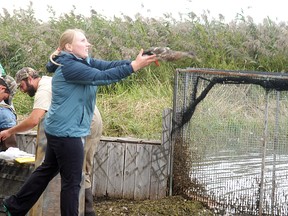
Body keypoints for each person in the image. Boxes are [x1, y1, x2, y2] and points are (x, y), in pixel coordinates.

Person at [2, 28, 157, 216]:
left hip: (61, 129)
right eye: (82, 41)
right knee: (72, 182)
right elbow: (102, 77)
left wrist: (136, 62)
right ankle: (16, 206)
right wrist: (134, 67)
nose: (88, 44)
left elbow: (107, 66)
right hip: (67, 133)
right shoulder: (71, 68)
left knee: (47, 170)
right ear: (69, 46)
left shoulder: (81, 62)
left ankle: (14, 206)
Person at [0, 66, 102, 216]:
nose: (22, 90)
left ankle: (88, 211)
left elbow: (34, 120)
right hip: (68, 126)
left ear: (29, 79)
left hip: (84, 122)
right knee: (48, 168)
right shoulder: (48, 83)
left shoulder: (44, 89)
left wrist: (9, 131)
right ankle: (15, 205)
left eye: (21, 86)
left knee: (76, 173)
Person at [0, 68, 18, 151]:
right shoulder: (5, 114)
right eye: (4, 98)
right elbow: (10, 149)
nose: (1, 101)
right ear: (2, 89)